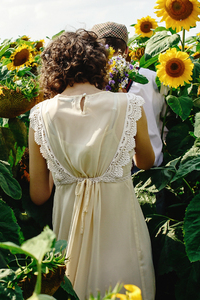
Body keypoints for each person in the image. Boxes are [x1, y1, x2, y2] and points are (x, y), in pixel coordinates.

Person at [28, 29, 156, 300]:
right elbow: (145, 162)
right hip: (122, 232)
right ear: (99, 64)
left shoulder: (40, 115)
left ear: (52, 70)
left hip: (68, 237)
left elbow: (39, 195)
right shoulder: (130, 105)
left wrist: (60, 165)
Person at [91, 21, 166, 167]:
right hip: (155, 168)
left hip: (109, 172)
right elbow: (166, 121)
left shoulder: (91, 85)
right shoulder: (154, 78)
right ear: (127, 50)